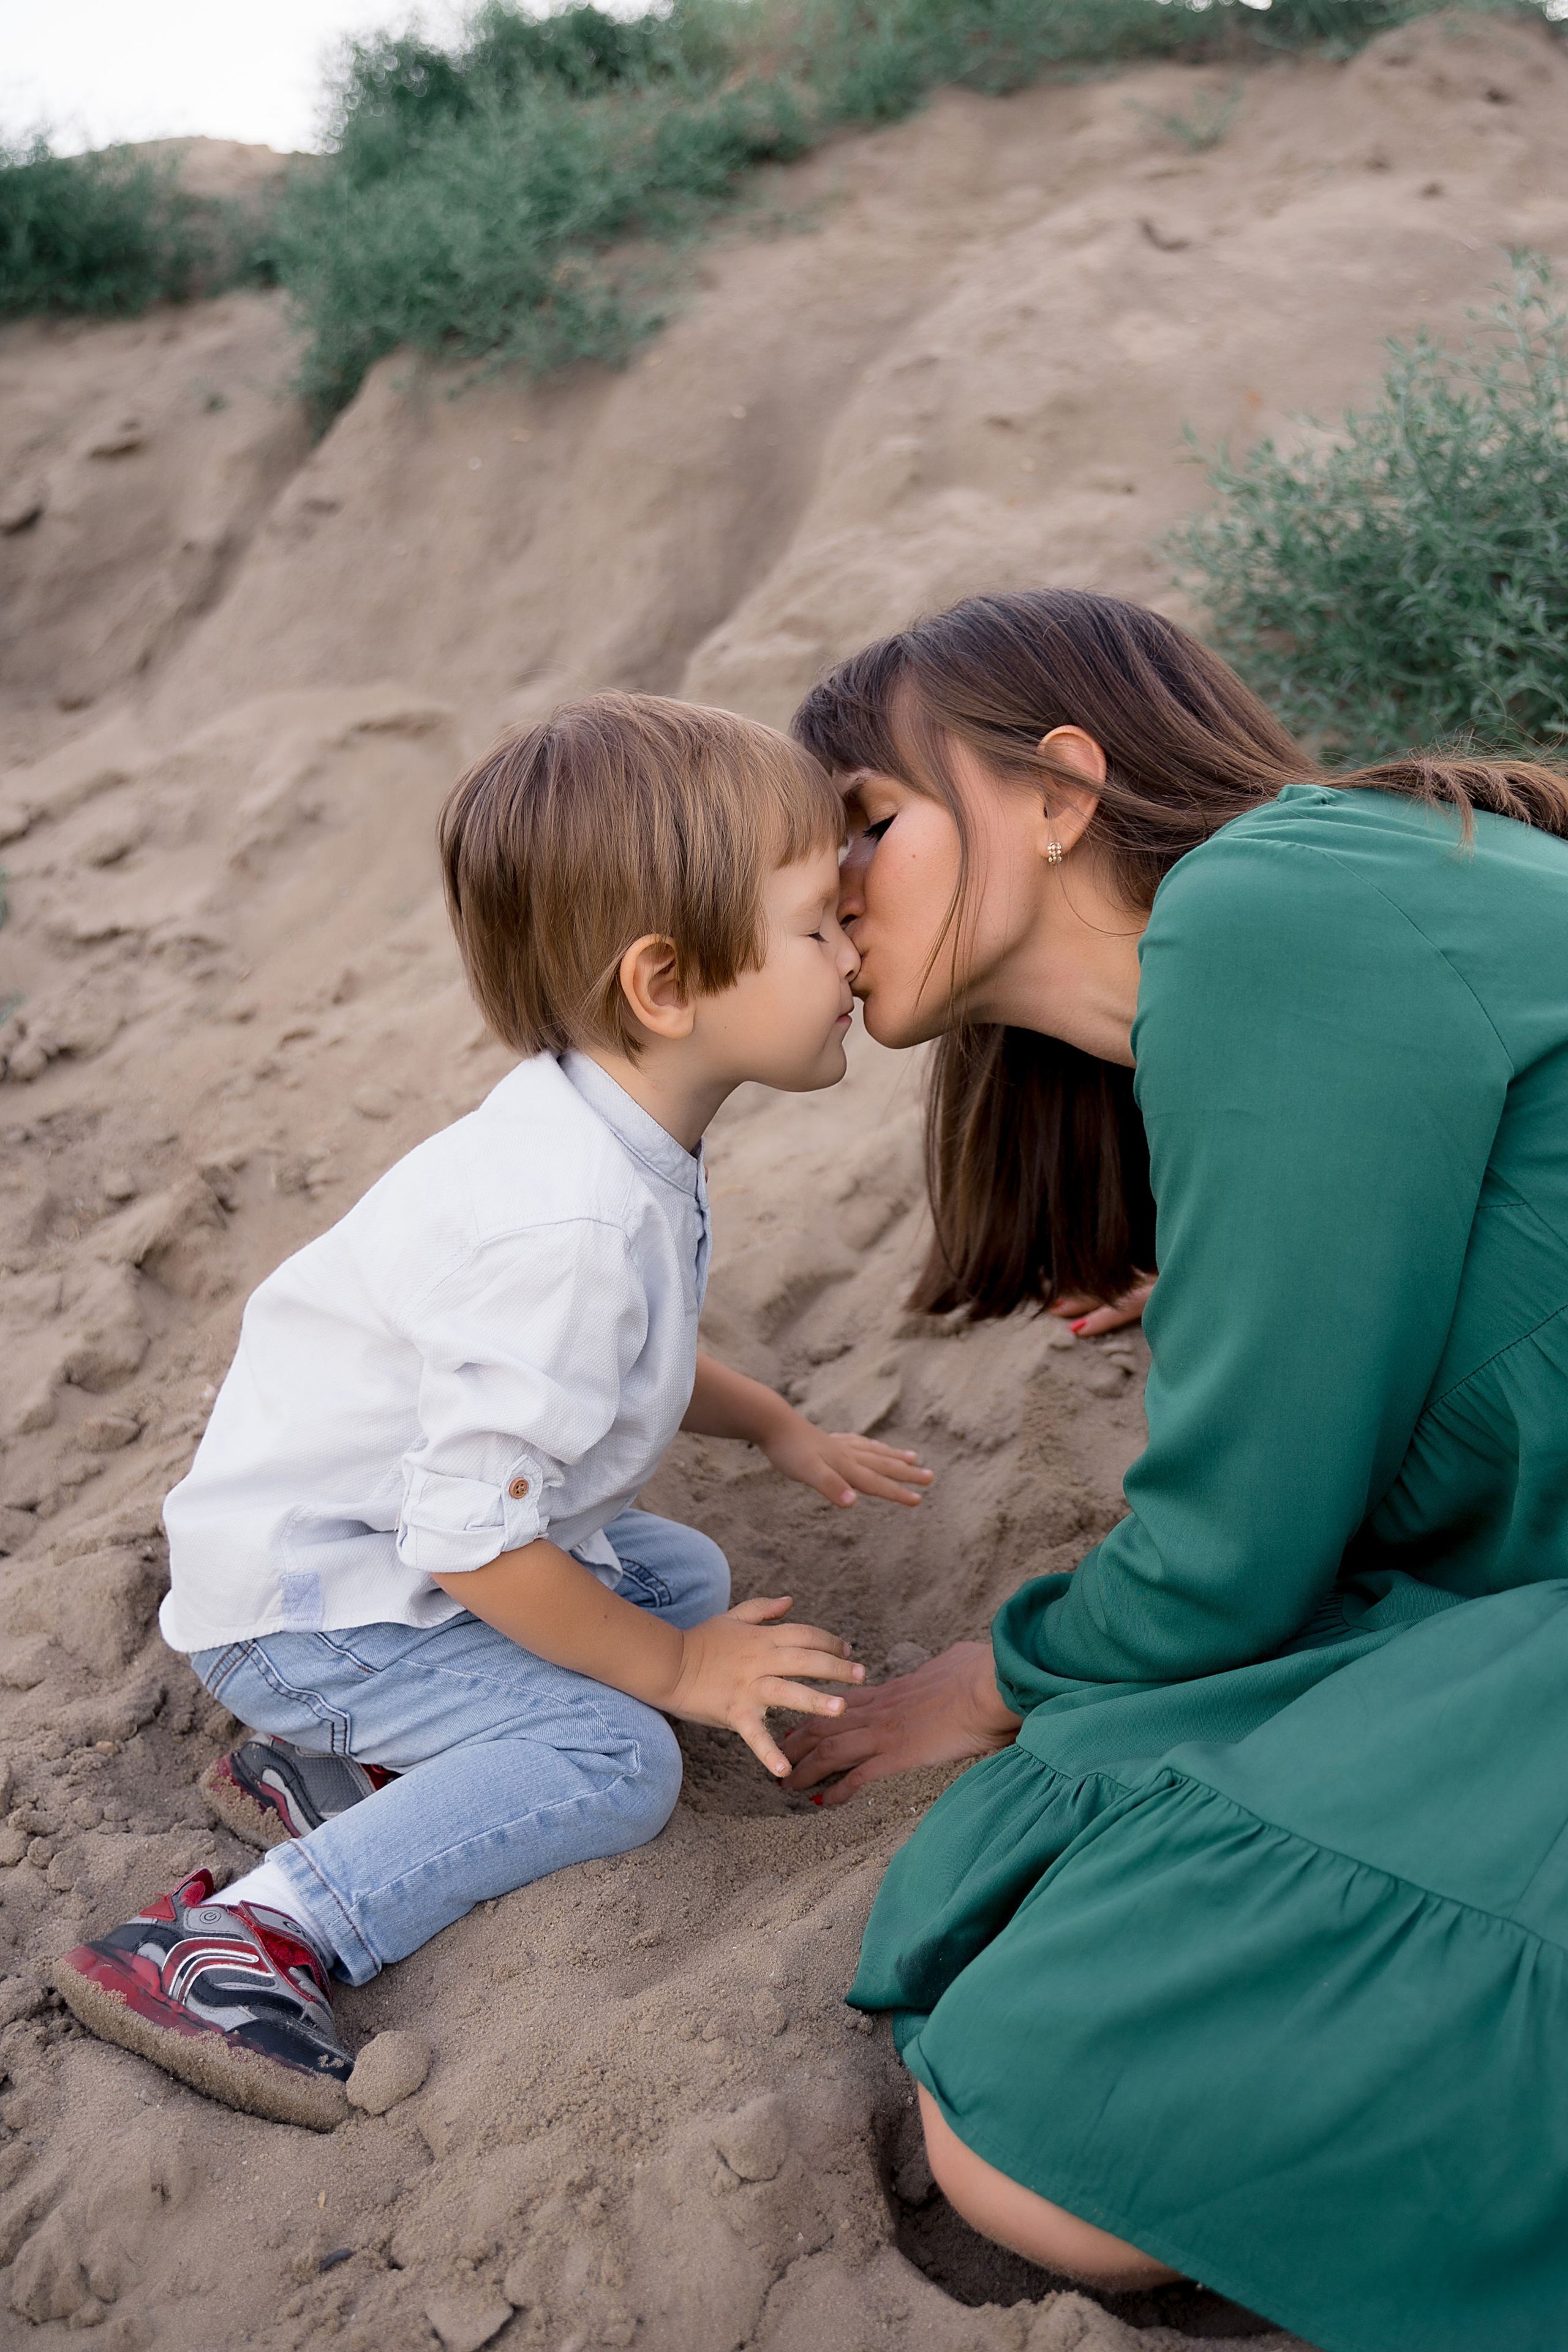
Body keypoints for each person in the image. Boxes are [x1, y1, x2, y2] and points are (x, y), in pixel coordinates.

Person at [782, 589, 1568, 2352]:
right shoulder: (1293, 931)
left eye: (869, 825)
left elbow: (1236, 1554)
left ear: (1060, 791)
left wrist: (996, 1675)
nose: (830, 887)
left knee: (1034, 2117)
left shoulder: (1265, 910)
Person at [55, 692, 931, 2130]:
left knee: (681, 1574)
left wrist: (770, 1422)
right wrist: (675, 1675)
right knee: (616, 1754)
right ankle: (238, 1938)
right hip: (321, 1603)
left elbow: (613, 1362)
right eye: (817, 926)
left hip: (358, 1551)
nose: (851, 951)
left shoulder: (608, 1132)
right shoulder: (567, 1222)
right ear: (664, 983)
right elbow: (469, 1538)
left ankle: (342, 1772)